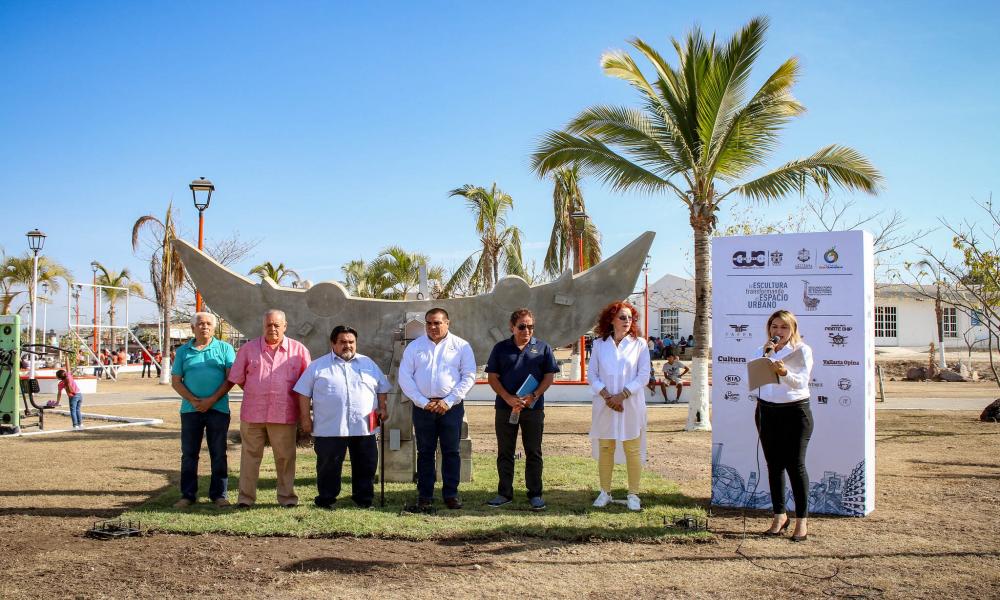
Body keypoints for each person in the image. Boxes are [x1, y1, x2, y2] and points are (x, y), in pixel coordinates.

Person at [294, 325, 389, 509]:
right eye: (343, 342)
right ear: (333, 343)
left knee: (366, 464)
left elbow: (382, 388)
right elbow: (303, 393)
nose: (348, 346)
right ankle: (326, 500)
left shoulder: (368, 364)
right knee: (328, 466)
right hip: (330, 427)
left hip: (364, 426)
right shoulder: (318, 366)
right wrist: (305, 418)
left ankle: (363, 500)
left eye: (351, 342)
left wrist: (382, 407)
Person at [224, 309, 311, 508]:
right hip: (253, 413)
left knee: (285, 458)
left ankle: (287, 498)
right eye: (268, 325)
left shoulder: (299, 350)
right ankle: (245, 499)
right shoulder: (248, 349)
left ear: (285, 326)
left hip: (284, 413)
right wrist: (257, 390)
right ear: (263, 326)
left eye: (276, 325)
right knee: (250, 458)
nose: (272, 328)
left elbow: (307, 383)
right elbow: (238, 378)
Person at [398, 307, 476, 510]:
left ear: (447, 323)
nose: (433, 327)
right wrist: (423, 402)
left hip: (451, 408)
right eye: (429, 323)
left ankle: (451, 494)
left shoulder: (461, 346)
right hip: (423, 407)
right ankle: (425, 495)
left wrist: (448, 401)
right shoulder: (415, 347)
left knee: (451, 451)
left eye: (437, 323)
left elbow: (468, 377)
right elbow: (405, 377)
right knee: (425, 452)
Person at [484, 308, 559, 511]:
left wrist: (533, 396)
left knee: (533, 452)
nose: (527, 330)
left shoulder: (543, 348)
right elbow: (492, 377)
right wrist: (508, 398)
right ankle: (504, 493)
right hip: (505, 408)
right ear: (512, 327)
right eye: (522, 326)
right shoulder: (500, 348)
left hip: (533, 409)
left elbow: (549, 377)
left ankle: (535, 494)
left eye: (531, 326)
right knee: (505, 452)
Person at [754, 309, 814, 542]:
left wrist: (784, 372)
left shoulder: (801, 350)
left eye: (784, 327)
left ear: (793, 330)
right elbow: (755, 379)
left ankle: (802, 520)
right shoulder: (762, 350)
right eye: (774, 327)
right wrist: (765, 360)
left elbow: (801, 382)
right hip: (767, 411)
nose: (778, 331)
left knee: (795, 466)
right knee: (774, 465)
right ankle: (779, 515)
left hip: (795, 412)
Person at [588, 301, 650, 511]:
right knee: (606, 448)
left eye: (630, 318)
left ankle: (633, 494)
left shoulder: (639, 344)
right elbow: (592, 375)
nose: (627, 321)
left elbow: (643, 376)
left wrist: (622, 395)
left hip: (630, 404)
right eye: (622, 317)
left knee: (632, 449)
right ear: (611, 319)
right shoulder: (599, 345)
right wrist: (607, 396)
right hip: (605, 405)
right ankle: (605, 492)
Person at [170, 312, 236, 509]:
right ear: (192, 328)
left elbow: (230, 379)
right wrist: (194, 400)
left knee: (218, 452)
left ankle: (219, 495)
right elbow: (176, 381)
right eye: (200, 324)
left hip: (218, 409)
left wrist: (211, 400)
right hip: (190, 411)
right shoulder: (183, 352)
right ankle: (187, 495)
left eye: (208, 324)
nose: (204, 327)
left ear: (213, 328)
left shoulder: (225, 349)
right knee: (189, 454)